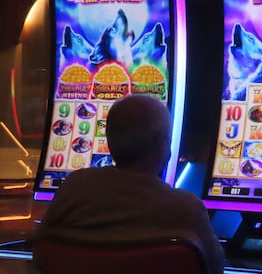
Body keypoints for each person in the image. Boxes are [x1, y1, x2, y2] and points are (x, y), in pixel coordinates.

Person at [34, 94, 225, 274]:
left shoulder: (73, 188)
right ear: (161, 144)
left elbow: (41, 251)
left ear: (109, 141)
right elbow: (215, 268)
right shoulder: (186, 207)